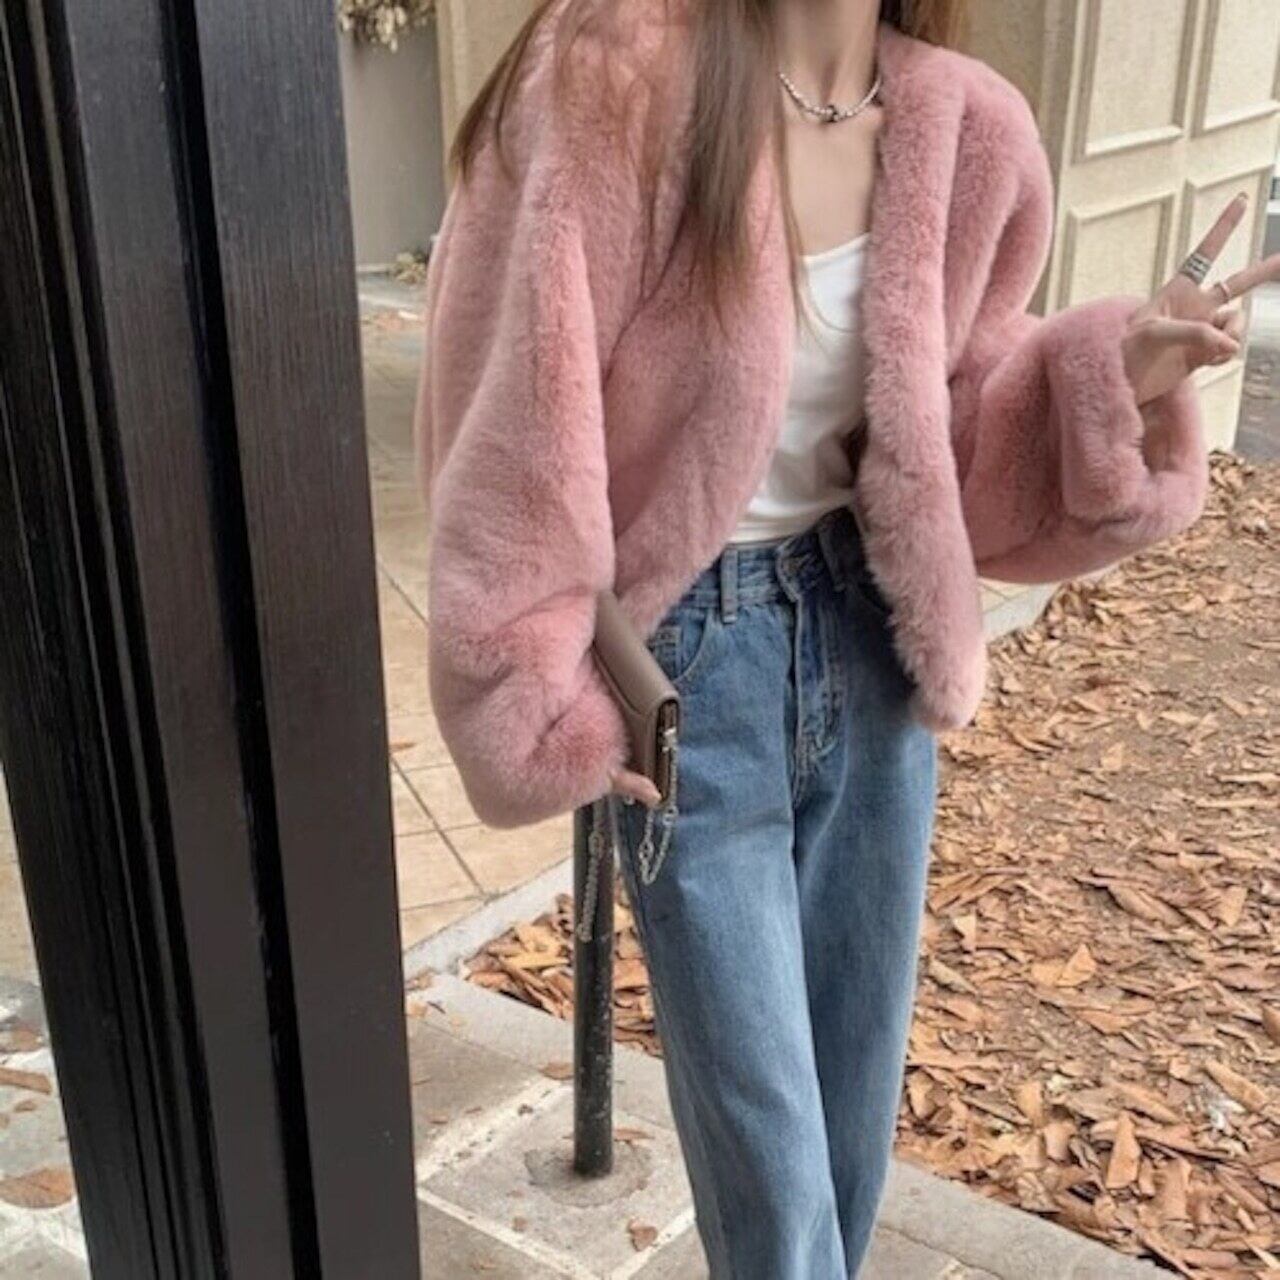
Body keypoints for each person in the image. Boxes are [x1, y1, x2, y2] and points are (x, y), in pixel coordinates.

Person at [415, 0, 1276, 1274]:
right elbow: (511, 418)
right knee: (770, 1167)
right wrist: (539, 690)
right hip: (692, 660)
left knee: (849, 1114)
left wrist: (1114, 378)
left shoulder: (968, 129)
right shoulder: (611, 80)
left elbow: (953, 440)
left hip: (870, 639)